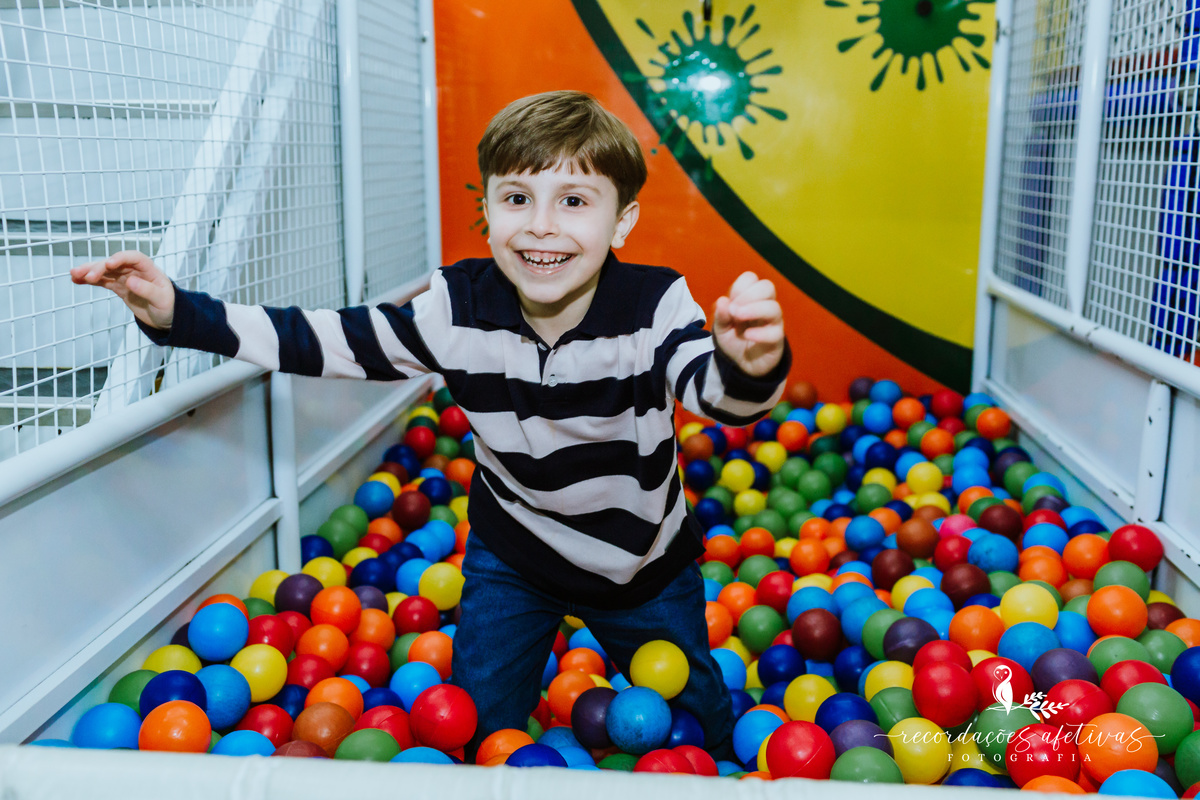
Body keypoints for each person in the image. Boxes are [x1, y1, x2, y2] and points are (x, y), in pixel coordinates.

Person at [71, 90, 790, 761]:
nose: (541, 225)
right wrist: (180, 314)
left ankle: (725, 762)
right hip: (518, 559)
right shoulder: (457, 309)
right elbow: (326, 338)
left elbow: (716, 393)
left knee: (700, 721)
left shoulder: (655, 306)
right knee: (477, 732)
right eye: (517, 198)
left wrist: (752, 362)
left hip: (640, 564)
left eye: (574, 201)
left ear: (622, 220)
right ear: (487, 209)